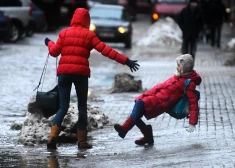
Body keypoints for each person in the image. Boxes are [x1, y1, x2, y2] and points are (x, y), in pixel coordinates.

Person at [44, 8, 139, 150]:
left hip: (63, 74)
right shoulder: (89, 35)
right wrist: (126, 61)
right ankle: (82, 142)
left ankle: (52, 138)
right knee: (82, 107)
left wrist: (49, 43)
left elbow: (54, 52)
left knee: (63, 107)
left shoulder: (64, 33)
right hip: (80, 75)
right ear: (86, 20)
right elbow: (106, 50)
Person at [114, 54, 201, 145]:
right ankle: (147, 137)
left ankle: (125, 129)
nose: (177, 68)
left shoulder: (189, 83)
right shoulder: (179, 76)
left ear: (185, 68)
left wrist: (192, 122)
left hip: (161, 103)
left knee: (139, 105)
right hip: (156, 97)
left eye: (179, 66)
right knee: (136, 114)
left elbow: (193, 102)